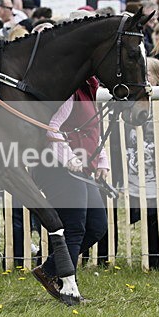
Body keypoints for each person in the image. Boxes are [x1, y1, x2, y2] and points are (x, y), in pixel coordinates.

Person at [30, 74, 109, 303]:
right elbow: (51, 128)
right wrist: (69, 159)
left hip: (80, 167)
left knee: (96, 226)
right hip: (56, 167)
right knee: (75, 229)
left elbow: (91, 129)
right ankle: (68, 290)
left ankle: (48, 270)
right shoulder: (69, 89)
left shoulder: (89, 87)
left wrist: (101, 160)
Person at [127, 58, 159, 270]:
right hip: (138, 165)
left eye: (146, 74)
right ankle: (153, 256)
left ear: (158, 78)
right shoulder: (134, 100)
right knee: (147, 213)